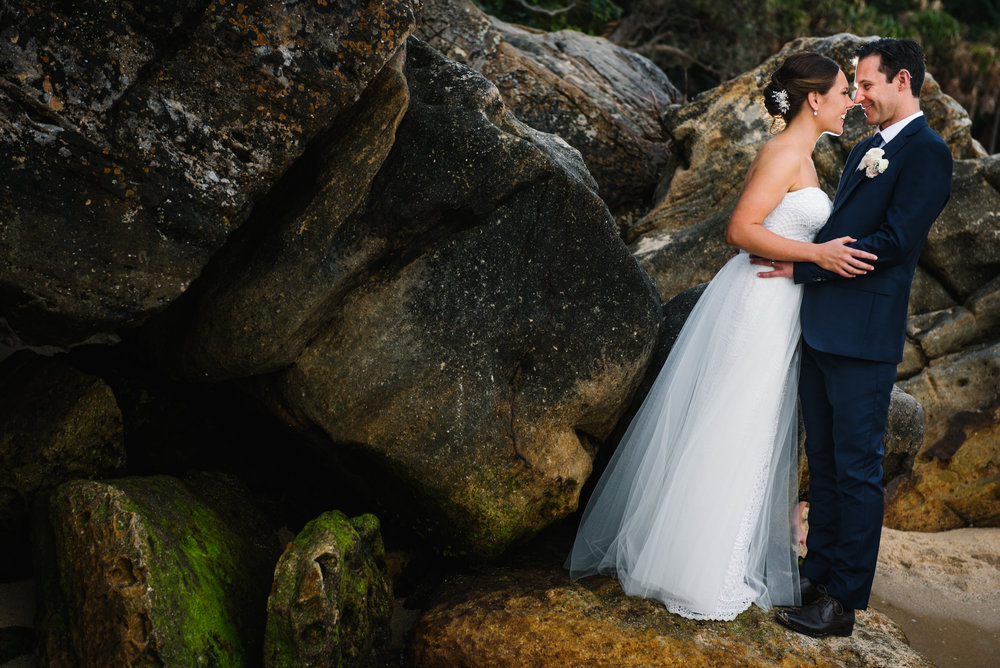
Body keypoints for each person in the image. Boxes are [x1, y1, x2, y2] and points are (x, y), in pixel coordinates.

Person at [565, 53, 873, 621]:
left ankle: (714, 559)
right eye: (841, 92)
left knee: (749, 428)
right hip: (755, 303)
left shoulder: (803, 155)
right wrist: (817, 253)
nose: (850, 100)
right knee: (732, 422)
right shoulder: (782, 154)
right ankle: (693, 569)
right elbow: (740, 230)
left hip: (779, 304)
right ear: (814, 99)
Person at [757, 38, 953, 638]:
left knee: (860, 468)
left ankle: (842, 603)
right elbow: (838, 228)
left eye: (866, 85)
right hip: (821, 327)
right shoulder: (868, 148)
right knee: (827, 465)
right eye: (855, 87)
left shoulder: (928, 153)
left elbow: (893, 244)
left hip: (865, 335)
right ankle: (815, 578)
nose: (859, 96)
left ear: (900, 80)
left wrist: (805, 266)